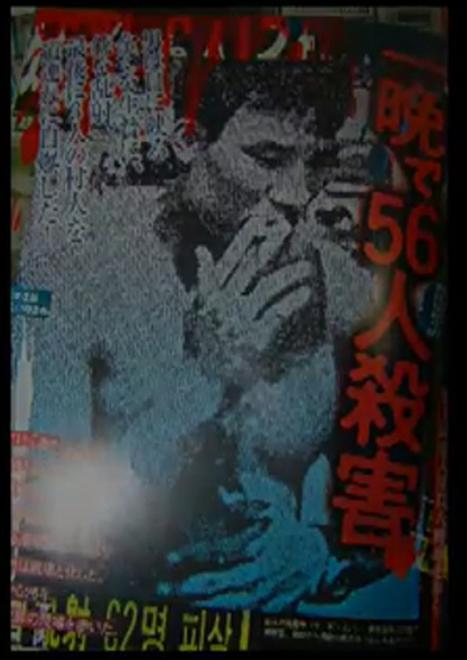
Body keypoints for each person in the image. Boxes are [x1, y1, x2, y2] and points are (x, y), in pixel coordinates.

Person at [13, 59, 385, 611]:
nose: (296, 194)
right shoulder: (80, 267)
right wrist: (204, 372)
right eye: (267, 158)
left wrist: (315, 549)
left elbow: (367, 489)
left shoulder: (332, 278)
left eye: (316, 164)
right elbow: (42, 525)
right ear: (192, 140)